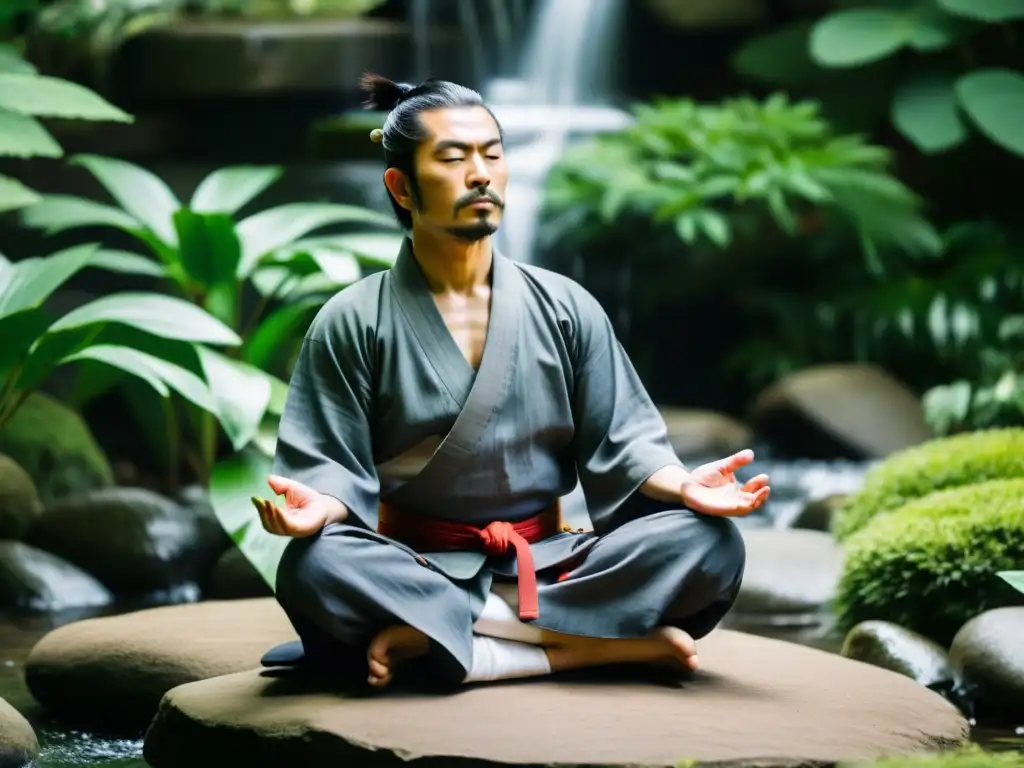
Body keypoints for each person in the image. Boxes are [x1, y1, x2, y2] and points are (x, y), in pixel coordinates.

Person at [252, 73, 770, 690]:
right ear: (401, 186)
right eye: (453, 157)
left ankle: (461, 640)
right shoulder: (354, 320)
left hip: (553, 560)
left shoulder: (565, 306)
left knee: (709, 545)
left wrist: (685, 486)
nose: (481, 174)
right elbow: (331, 468)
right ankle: (587, 647)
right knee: (316, 566)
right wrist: (321, 506)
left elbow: (625, 442)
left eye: (492, 154)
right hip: (417, 563)